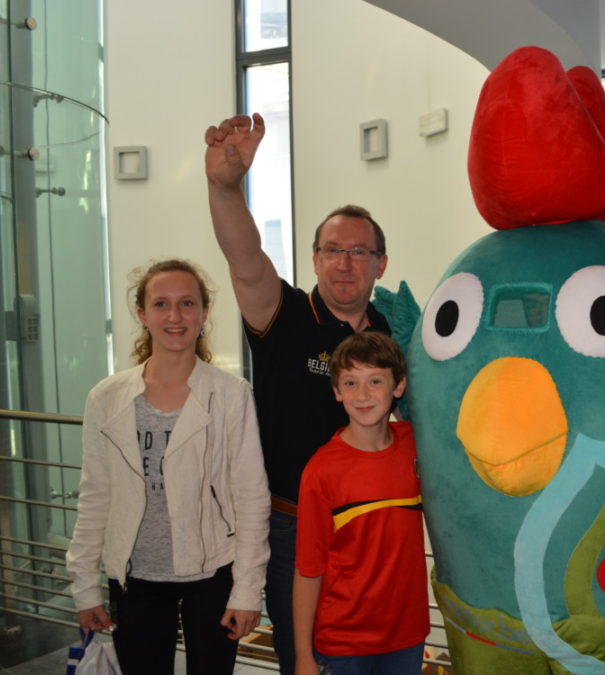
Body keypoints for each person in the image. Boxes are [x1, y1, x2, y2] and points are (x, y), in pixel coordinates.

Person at [204, 112, 393, 673]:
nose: (344, 262)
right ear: (313, 258)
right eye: (333, 249)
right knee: (303, 659)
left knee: (370, 653)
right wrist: (224, 186)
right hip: (291, 527)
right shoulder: (283, 314)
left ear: (380, 264)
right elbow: (244, 258)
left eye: (360, 252)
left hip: (373, 520)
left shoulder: (391, 333)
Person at [66, 259, 271, 674]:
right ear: (142, 314)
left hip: (213, 575)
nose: (174, 317)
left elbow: (251, 497)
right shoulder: (106, 398)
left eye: (186, 304)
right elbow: (95, 497)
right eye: (161, 304)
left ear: (204, 313)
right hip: (135, 577)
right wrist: (84, 587)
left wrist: (247, 591)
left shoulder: (231, 395)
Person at [293, 332, 427, 675]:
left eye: (375, 381)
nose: (363, 394)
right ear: (336, 391)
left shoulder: (417, 445)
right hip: (344, 642)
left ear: (399, 386)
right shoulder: (321, 471)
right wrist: (303, 656)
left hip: (407, 635)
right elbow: (309, 571)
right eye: (350, 383)